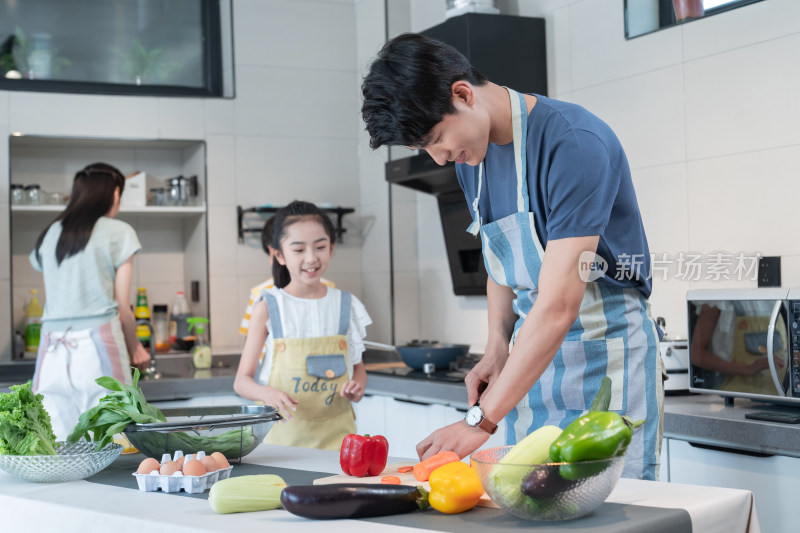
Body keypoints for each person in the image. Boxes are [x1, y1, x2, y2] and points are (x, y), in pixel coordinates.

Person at [361, 33, 664, 480]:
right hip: (531, 369)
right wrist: (497, 347)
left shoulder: (572, 143)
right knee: (530, 504)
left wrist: (480, 421)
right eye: (424, 150)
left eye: (436, 139)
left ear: (463, 94)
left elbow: (560, 304)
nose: (439, 159)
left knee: (614, 514)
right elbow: (501, 260)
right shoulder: (471, 160)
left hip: (606, 362)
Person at [234, 200, 371, 451]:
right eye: (298, 250)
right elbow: (241, 381)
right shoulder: (268, 306)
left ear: (331, 248)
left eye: (320, 247)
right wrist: (267, 394)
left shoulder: (346, 304)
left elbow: (358, 369)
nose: (311, 258)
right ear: (279, 255)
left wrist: (357, 387)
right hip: (282, 442)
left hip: (339, 441)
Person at [29, 163, 151, 440]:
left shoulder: (50, 234)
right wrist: (136, 347)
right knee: (111, 438)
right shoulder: (119, 232)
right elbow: (123, 307)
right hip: (97, 345)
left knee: (55, 442)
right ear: (116, 193)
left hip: (52, 349)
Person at [690, 300, 788, 394]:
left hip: (779, 393)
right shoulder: (719, 300)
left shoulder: (782, 297)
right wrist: (747, 369)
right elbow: (696, 354)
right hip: (737, 394)